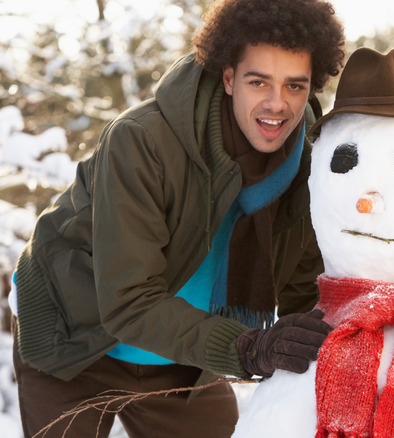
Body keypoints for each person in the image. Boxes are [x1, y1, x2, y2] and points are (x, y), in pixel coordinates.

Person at [10, 0, 345, 436]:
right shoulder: (142, 142)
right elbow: (129, 301)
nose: (276, 103)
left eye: (295, 86)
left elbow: (308, 292)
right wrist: (249, 347)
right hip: (76, 342)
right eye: (259, 81)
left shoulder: (307, 167)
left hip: (184, 361)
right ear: (229, 78)